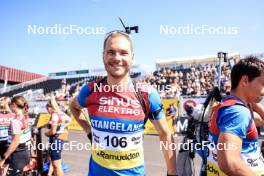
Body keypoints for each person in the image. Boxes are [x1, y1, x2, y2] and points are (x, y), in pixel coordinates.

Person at [70, 31, 176, 176]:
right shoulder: (90, 90)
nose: (117, 58)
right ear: (103, 56)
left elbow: (165, 134)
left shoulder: (147, 94)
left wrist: (172, 173)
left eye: (123, 53)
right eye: (111, 52)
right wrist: (89, 131)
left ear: (132, 57)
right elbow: (74, 107)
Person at [207, 56, 264, 175]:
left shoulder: (230, 106)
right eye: (263, 83)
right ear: (245, 81)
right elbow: (230, 163)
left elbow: (259, 120)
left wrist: (249, 98)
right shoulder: (238, 112)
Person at [0, 96, 32, 175]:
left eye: (10, 104)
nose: (9, 106)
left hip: (18, 153)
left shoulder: (15, 121)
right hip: (26, 151)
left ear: (14, 104)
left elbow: (15, 142)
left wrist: (4, 158)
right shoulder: (25, 116)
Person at [45, 99, 71, 176]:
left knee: (57, 165)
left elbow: (52, 132)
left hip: (55, 139)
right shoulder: (61, 113)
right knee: (55, 163)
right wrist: (62, 126)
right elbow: (70, 120)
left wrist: (46, 134)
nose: (47, 111)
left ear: (50, 107)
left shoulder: (54, 115)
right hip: (59, 139)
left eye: (47, 109)